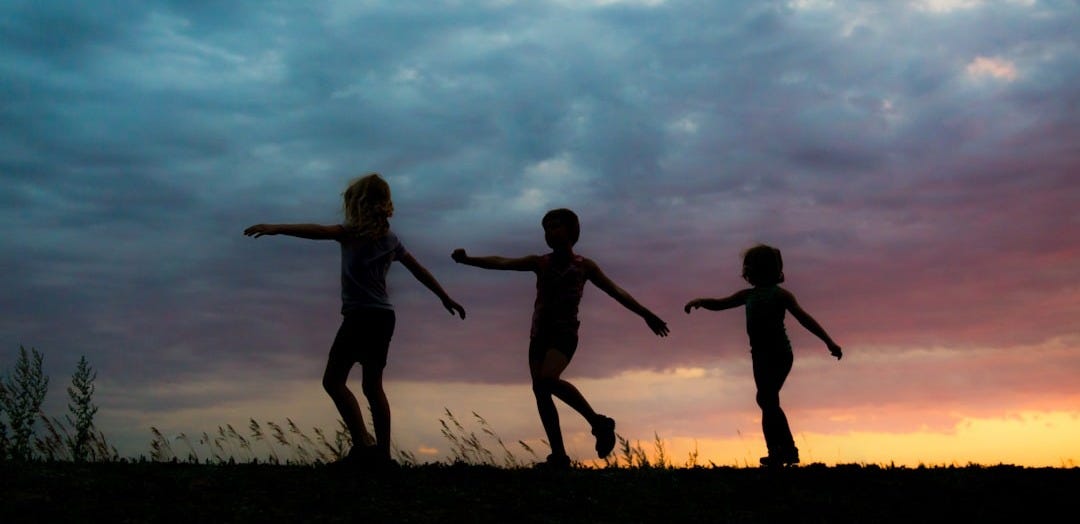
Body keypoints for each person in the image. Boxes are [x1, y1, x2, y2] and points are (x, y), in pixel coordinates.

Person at [244, 173, 465, 470]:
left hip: (362, 316)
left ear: (357, 204)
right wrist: (444, 297)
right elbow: (418, 269)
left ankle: (366, 446)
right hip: (382, 317)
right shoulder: (389, 239)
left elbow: (315, 231)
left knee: (334, 381)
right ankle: (379, 454)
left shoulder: (350, 233)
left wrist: (276, 228)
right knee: (371, 387)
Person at [452, 208, 669, 469]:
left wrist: (645, 314)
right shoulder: (539, 262)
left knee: (547, 380)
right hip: (538, 335)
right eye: (546, 228)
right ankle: (559, 456)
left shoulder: (584, 266)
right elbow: (502, 262)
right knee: (541, 391)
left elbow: (616, 291)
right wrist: (468, 260)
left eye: (556, 226)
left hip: (564, 335)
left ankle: (598, 422)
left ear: (572, 231)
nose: (550, 232)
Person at [684, 244, 841, 467]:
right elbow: (721, 304)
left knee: (766, 399)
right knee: (767, 400)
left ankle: (784, 449)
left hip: (779, 354)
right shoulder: (748, 296)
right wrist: (700, 302)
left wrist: (829, 342)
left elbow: (804, 319)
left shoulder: (780, 295)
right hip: (759, 356)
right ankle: (780, 451)